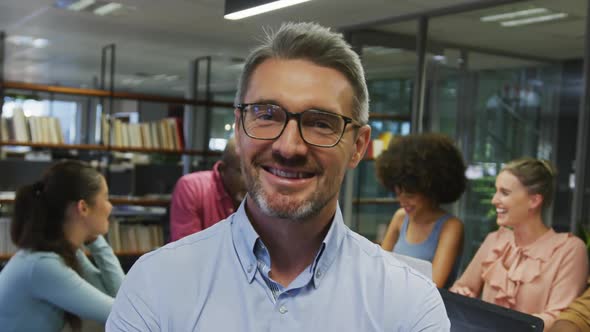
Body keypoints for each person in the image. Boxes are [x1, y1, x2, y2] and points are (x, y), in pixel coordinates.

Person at [106, 22, 450, 331]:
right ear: (239, 129)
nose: (289, 146)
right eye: (267, 115)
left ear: (358, 147)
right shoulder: (156, 283)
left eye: (320, 123)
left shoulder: (409, 303)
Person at [450, 157, 588, 330]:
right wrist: (462, 295)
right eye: (496, 191)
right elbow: (462, 288)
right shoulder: (495, 240)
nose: (494, 200)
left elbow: (559, 318)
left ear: (534, 201)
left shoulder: (569, 249)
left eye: (504, 193)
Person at [0, 160, 124, 332]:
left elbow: (119, 295)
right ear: (83, 208)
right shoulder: (43, 265)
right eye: (106, 198)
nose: (110, 207)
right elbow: (125, 312)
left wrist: (94, 239)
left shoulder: (62, 254)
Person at [376, 133, 467, 289]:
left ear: (430, 189)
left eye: (410, 193)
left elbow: (434, 284)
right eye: (398, 192)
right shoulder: (400, 218)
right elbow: (379, 268)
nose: (402, 200)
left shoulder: (450, 227)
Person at [169, 137, 246, 241]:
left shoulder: (258, 193)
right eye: (242, 171)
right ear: (223, 169)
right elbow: (187, 249)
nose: (250, 181)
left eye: (254, 172)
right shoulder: (191, 187)